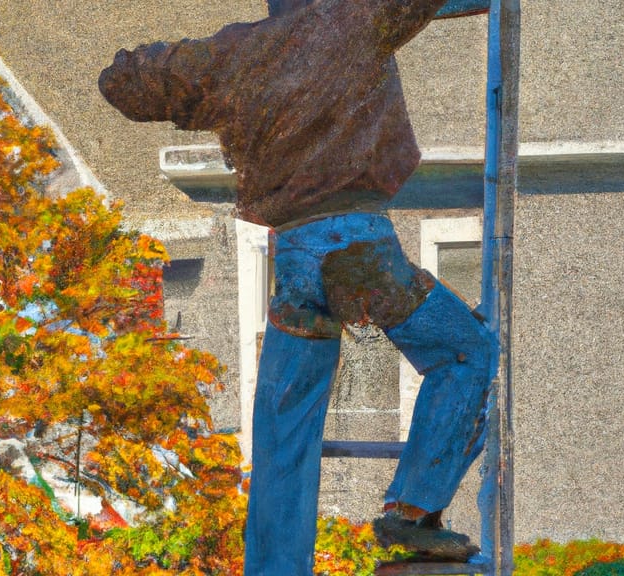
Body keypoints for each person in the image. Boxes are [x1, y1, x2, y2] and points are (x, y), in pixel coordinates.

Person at [99, 1, 494, 573]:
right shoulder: (358, 18)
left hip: (295, 260)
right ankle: (412, 513)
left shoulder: (237, 53)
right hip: (357, 248)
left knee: (285, 422)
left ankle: (276, 565)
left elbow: (127, 82)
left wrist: (148, 71)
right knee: (466, 352)